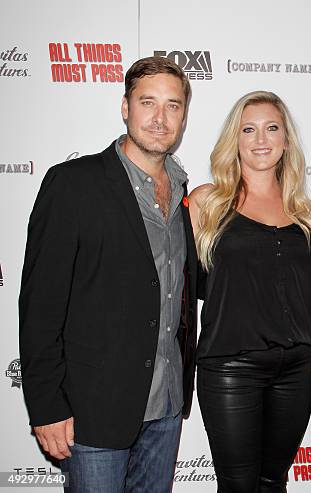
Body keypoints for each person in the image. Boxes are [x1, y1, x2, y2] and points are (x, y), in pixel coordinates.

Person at [19, 56, 198, 492]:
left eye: (173, 106)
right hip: (94, 411)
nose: (160, 118)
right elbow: (40, 306)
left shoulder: (183, 191)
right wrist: (45, 407)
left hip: (166, 406)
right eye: (148, 102)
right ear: (125, 107)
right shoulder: (72, 184)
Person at [188, 91, 311, 492]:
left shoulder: (304, 210)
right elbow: (181, 284)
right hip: (231, 367)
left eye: (271, 128)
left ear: (285, 141)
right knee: (239, 486)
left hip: (297, 369)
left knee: (273, 482)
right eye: (249, 129)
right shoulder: (206, 202)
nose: (260, 139)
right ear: (236, 138)